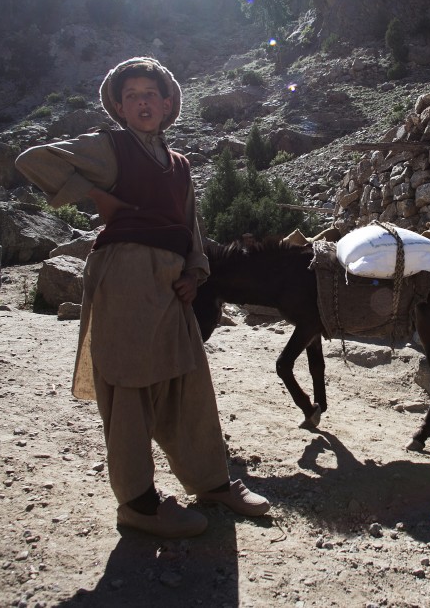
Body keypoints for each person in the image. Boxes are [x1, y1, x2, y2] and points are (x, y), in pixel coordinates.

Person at [15, 57, 269, 539]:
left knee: (190, 378)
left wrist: (196, 273)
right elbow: (33, 159)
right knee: (131, 385)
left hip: (171, 281)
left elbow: (191, 225)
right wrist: (96, 197)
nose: (142, 101)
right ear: (118, 105)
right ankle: (138, 503)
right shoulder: (109, 147)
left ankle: (211, 481)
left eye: (150, 93)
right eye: (131, 94)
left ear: (168, 102)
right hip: (125, 273)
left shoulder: (179, 164)